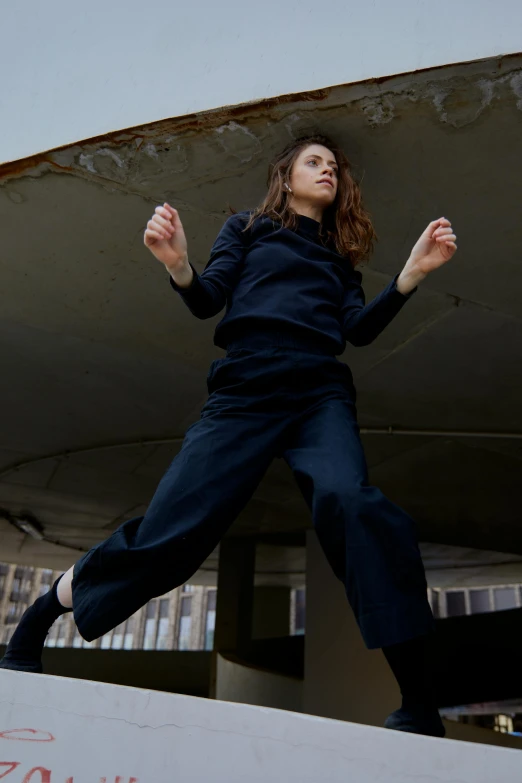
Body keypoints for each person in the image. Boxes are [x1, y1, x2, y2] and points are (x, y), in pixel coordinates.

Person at [0, 134, 457, 738]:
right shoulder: (246, 228)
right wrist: (177, 264)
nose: (328, 172)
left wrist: (409, 276)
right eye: (314, 162)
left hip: (318, 393)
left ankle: (420, 701)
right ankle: (42, 612)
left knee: (355, 506)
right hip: (245, 387)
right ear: (285, 174)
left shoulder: (339, 255)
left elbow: (358, 330)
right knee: (173, 532)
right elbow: (206, 299)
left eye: (335, 168)